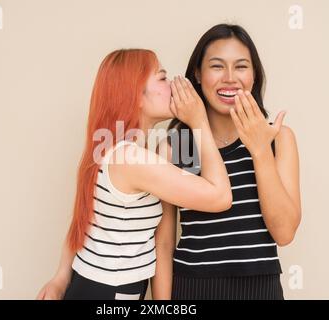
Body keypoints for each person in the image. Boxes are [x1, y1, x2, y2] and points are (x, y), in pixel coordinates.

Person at [36, 48, 232, 300]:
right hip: (110, 292)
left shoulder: (116, 150)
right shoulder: (131, 159)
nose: (173, 84)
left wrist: (61, 277)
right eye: (162, 78)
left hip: (95, 286)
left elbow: (83, 218)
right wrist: (199, 121)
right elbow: (220, 196)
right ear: (136, 96)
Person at [152, 24, 301, 300]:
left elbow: (284, 233)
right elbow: (163, 244)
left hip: (261, 289)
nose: (230, 78)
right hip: (193, 288)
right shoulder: (177, 148)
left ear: (254, 75)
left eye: (241, 67)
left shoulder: (278, 139)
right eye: (217, 66)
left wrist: (259, 151)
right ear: (198, 73)